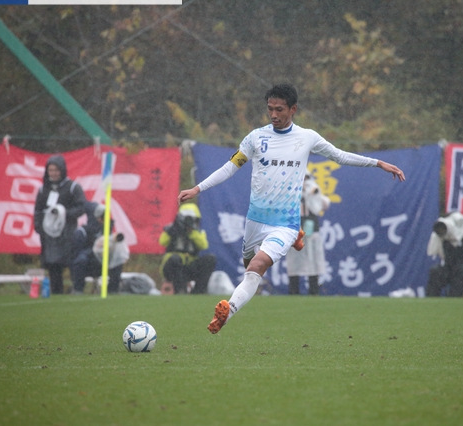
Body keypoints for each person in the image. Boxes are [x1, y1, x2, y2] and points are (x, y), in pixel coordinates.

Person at [178, 83, 405, 334]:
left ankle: (227, 311)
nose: (273, 114)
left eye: (280, 109)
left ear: (293, 109)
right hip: (255, 219)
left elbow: (340, 155)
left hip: (284, 223)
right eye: (270, 109)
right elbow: (230, 167)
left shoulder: (307, 137)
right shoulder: (256, 138)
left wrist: (378, 163)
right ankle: (294, 240)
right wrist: (197, 188)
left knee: (256, 267)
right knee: (248, 264)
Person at [33, 155, 87, 294]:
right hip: (49, 232)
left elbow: (82, 207)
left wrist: (64, 213)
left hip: (67, 232)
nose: (54, 173)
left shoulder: (72, 187)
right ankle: (56, 292)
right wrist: (39, 226)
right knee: (52, 263)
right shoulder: (44, 189)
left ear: (62, 170)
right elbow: (38, 210)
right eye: (51, 170)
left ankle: (76, 289)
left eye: (56, 170)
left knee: (70, 261)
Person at [286, 173, 331, 295]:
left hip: (311, 230)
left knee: (313, 259)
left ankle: (314, 289)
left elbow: (323, 205)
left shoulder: (314, 190)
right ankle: (294, 289)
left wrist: (311, 194)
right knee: (294, 260)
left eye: (306, 178)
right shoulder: (290, 190)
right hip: (295, 230)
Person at [70, 202, 128, 295]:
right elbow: (76, 252)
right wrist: (95, 251)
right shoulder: (83, 231)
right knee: (81, 260)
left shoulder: (108, 229)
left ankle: (113, 290)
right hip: (89, 262)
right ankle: (78, 289)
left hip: (104, 261)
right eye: (101, 216)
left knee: (117, 260)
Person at [158, 203, 217, 294]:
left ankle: (199, 291)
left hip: (189, 267)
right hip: (171, 267)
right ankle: (180, 291)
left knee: (210, 259)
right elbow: (162, 242)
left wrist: (191, 232)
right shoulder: (171, 229)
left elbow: (204, 245)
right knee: (175, 259)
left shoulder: (198, 232)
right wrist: (173, 231)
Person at [425, 212, 463, 297]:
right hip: (447, 268)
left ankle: (454, 298)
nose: (441, 231)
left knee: (462, 273)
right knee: (435, 271)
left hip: (461, 268)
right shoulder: (440, 238)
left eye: (443, 229)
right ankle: (432, 299)